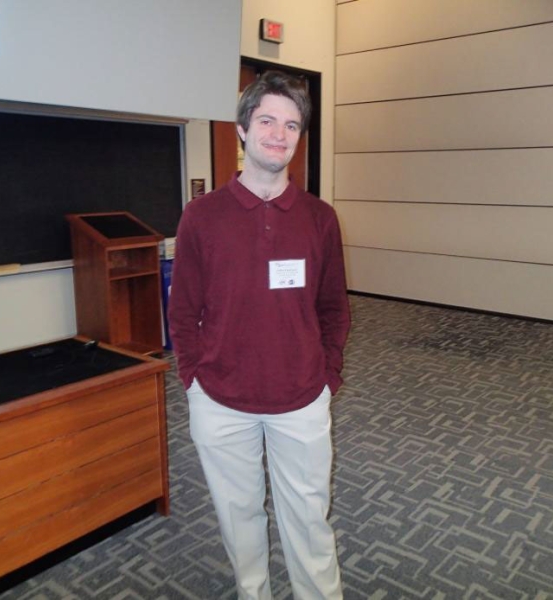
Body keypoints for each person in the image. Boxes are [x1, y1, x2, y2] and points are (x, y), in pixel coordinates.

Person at [168, 70, 350, 600]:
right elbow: (183, 312)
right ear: (243, 129)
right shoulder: (201, 217)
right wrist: (194, 380)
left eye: (291, 125)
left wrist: (327, 376)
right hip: (221, 399)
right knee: (238, 514)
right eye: (267, 120)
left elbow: (334, 307)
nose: (279, 133)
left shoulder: (320, 218)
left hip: (300, 397)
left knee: (309, 517)